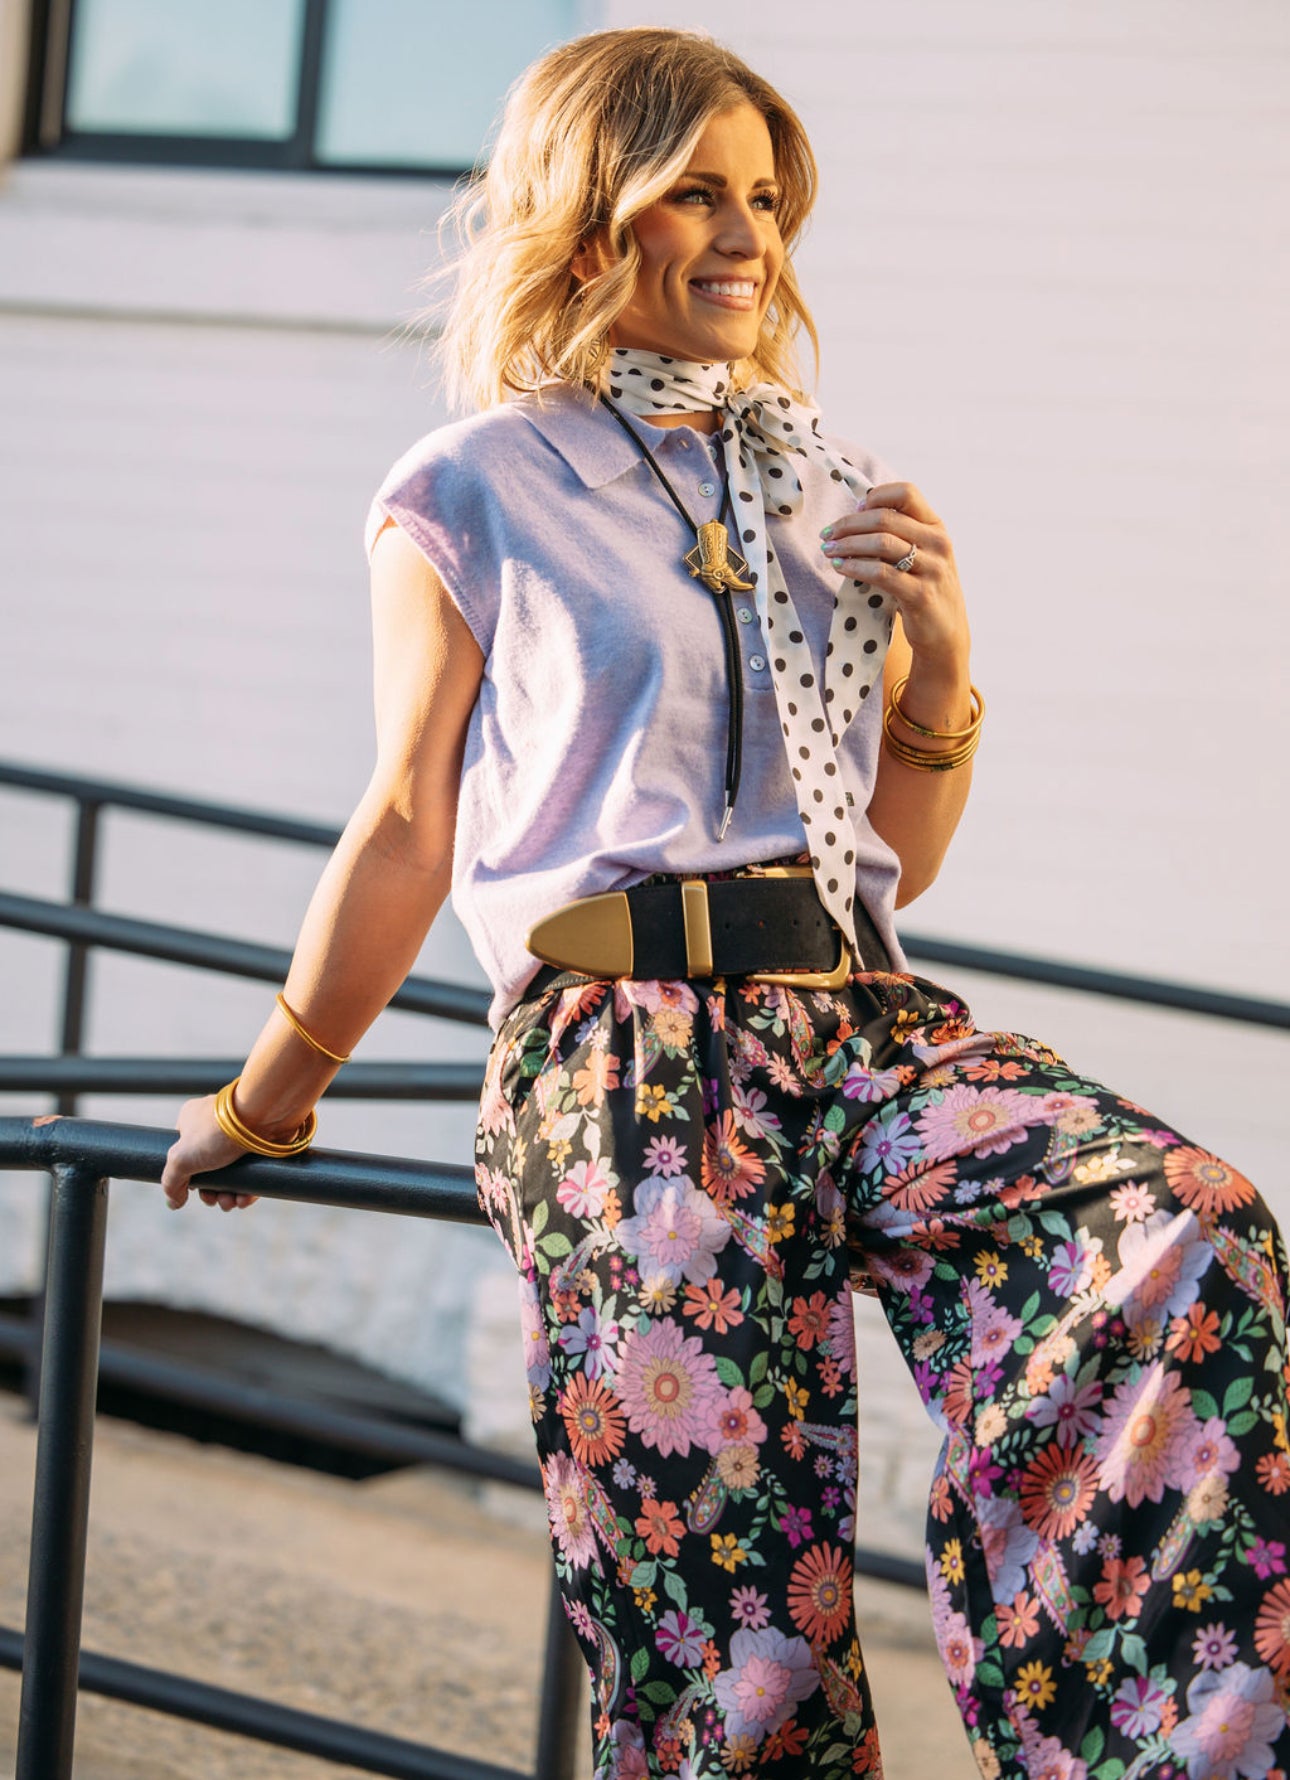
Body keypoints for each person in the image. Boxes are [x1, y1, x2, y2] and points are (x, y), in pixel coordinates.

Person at [161, 27, 1290, 1780]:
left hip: (856, 1021)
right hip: (620, 1063)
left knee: (1184, 1223)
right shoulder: (473, 486)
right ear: (590, 212)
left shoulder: (820, 483)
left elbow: (888, 860)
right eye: (696, 188)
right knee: (736, 1636)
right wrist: (268, 1096)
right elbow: (406, 817)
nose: (749, 235)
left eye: (767, 198)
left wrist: (944, 662)